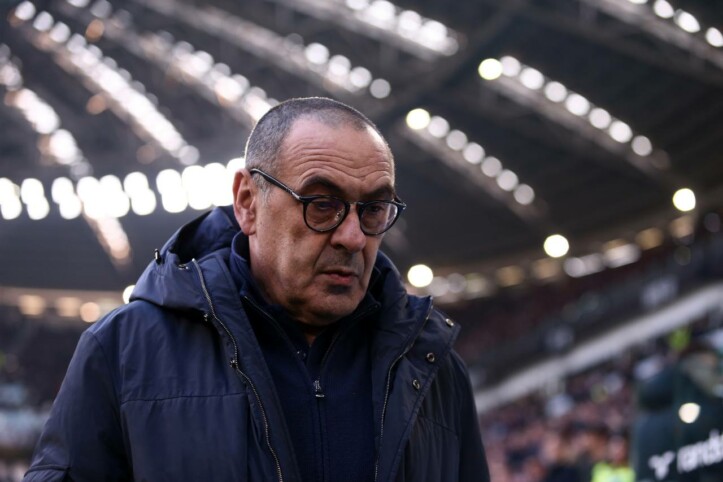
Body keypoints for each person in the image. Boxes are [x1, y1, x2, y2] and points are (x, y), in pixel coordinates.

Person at [24, 97, 490, 481]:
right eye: (321, 204)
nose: (353, 237)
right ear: (248, 203)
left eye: (373, 209)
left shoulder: (435, 367)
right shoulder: (123, 350)